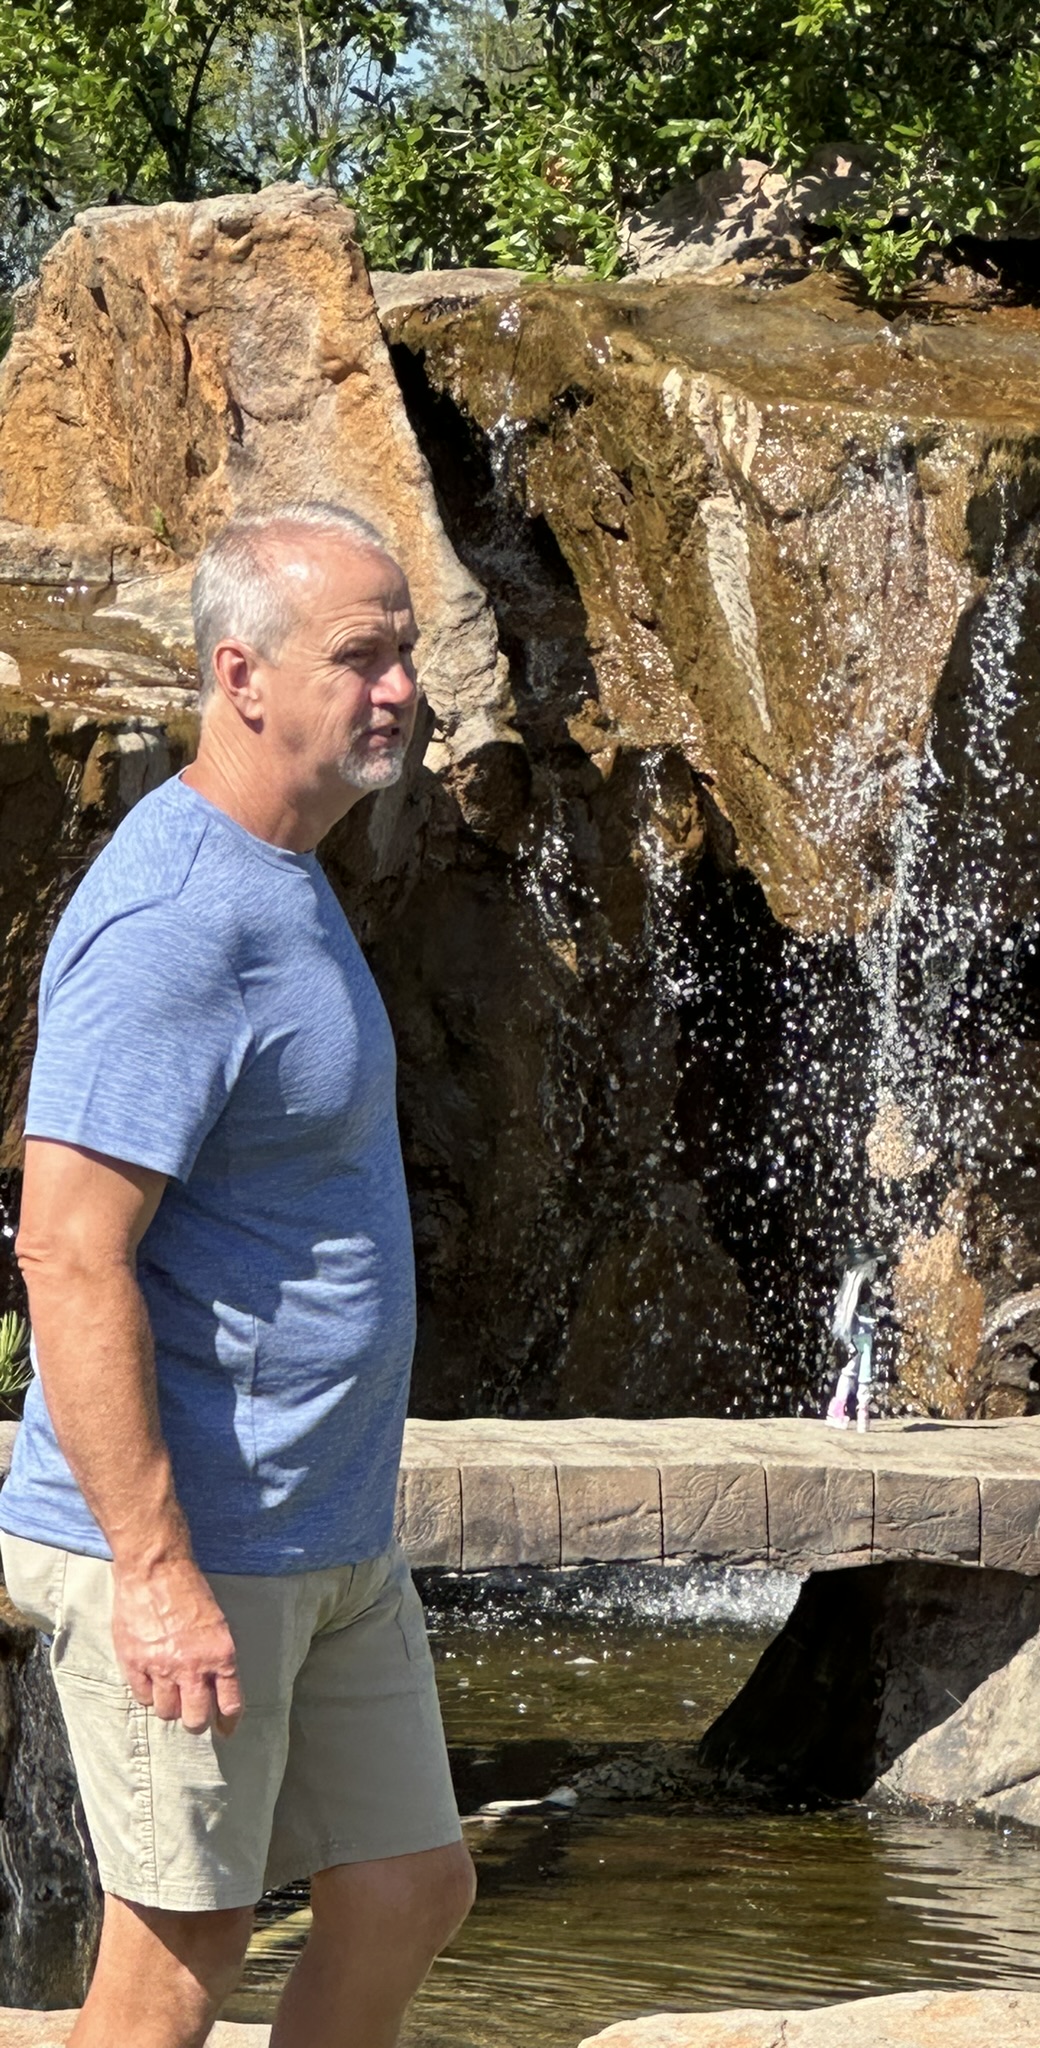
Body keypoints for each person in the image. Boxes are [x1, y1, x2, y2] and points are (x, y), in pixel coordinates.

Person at [0, 503, 476, 2048]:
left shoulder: (282, 871)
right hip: (197, 1539)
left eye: (405, 650)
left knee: (406, 1886)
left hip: (322, 1529)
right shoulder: (177, 919)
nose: (399, 687)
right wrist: (154, 1572)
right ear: (241, 677)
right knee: (181, 1956)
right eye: (360, 656)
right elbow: (67, 1247)